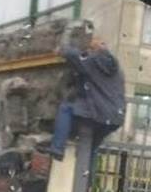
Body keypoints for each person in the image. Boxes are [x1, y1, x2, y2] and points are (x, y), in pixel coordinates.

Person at [38, 38, 125, 176]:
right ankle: (86, 182)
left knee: (66, 108)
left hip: (97, 114)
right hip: (114, 119)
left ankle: (57, 148)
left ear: (93, 50)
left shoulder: (93, 60)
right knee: (91, 150)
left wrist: (62, 50)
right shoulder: (117, 70)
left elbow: (75, 56)